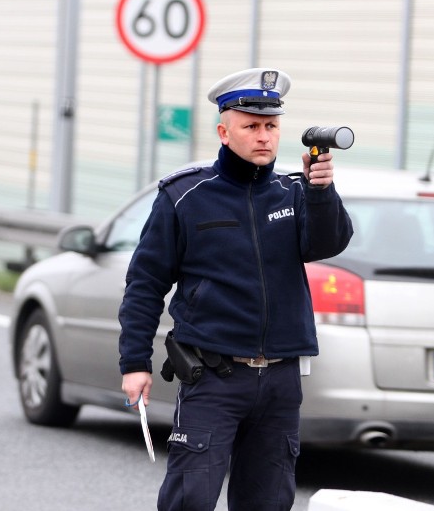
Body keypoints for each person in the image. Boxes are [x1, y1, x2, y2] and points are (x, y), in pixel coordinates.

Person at [119, 67, 353, 510]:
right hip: (213, 377)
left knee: (267, 503)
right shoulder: (185, 196)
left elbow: (327, 244)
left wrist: (322, 192)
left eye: (271, 126)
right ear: (224, 132)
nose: (263, 136)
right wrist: (135, 363)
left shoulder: (293, 192)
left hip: (282, 379)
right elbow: (145, 284)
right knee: (190, 499)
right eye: (251, 126)